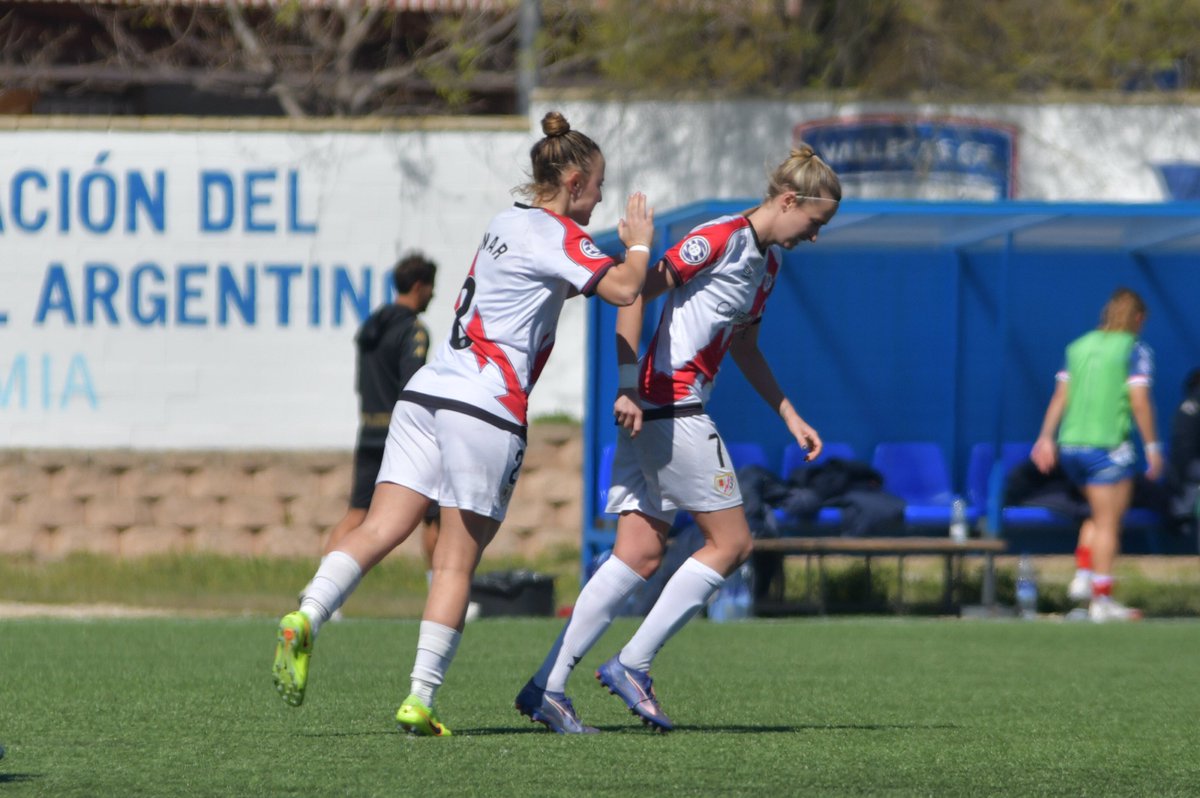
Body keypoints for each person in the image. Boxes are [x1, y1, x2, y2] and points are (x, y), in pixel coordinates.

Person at [271, 110, 655, 736]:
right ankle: (420, 698)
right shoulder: (559, 234)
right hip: (485, 405)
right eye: (600, 185)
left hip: (426, 395)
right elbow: (624, 289)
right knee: (454, 563)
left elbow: (559, 283)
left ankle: (309, 614)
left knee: (378, 527)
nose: (605, 198)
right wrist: (638, 240)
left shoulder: (505, 222)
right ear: (577, 179)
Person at [516, 146, 840, 734]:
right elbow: (636, 288)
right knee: (734, 543)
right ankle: (634, 664)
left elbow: (744, 346)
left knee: (638, 554)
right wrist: (624, 384)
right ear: (789, 202)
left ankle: (547, 685)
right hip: (671, 407)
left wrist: (789, 414)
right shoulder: (717, 237)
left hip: (661, 412)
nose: (813, 237)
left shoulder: (766, 266)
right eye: (814, 223)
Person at [303, 254, 440, 618]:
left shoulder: (371, 325)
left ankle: (320, 593)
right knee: (434, 515)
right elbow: (414, 385)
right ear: (419, 286)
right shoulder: (413, 330)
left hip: (368, 430)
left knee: (357, 515)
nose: (434, 294)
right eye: (431, 287)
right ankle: (439, 594)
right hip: (401, 435)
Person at [1031, 287, 1162, 622]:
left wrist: (1046, 437)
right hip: (1107, 446)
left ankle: (1084, 574)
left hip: (1072, 445)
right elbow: (1139, 402)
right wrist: (1152, 447)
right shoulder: (1133, 348)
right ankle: (1102, 600)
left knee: (1096, 514)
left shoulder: (1079, 346)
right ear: (1138, 318)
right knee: (1109, 523)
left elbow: (1061, 396)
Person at [1167, 367, 1200, 531]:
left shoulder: (1186, 405)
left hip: (1182, 468)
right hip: (1188, 468)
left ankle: (1182, 516)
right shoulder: (1194, 405)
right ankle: (1182, 517)